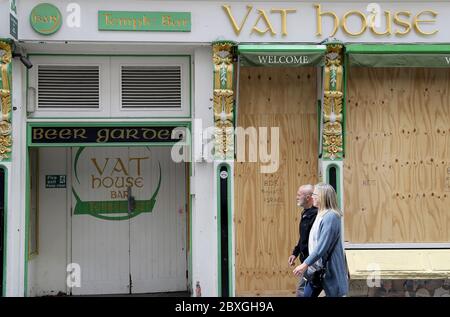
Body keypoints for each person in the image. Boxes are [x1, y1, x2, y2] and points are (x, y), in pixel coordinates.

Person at [293, 183, 349, 297]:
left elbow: (322, 246)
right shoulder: (320, 214)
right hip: (316, 271)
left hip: (329, 270)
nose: (312, 197)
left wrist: (305, 264)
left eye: (315, 194)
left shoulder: (331, 216)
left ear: (323, 197)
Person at [288, 184, 318, 297]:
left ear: (308, 197)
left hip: (312, 261)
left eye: (299, 195)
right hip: (306, 260)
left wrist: (308, 263)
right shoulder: (305, 213)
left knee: (302, 292)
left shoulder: (316, 215)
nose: (296, 197)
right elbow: (303, 237)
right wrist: (295, 253)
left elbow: (316, 241)